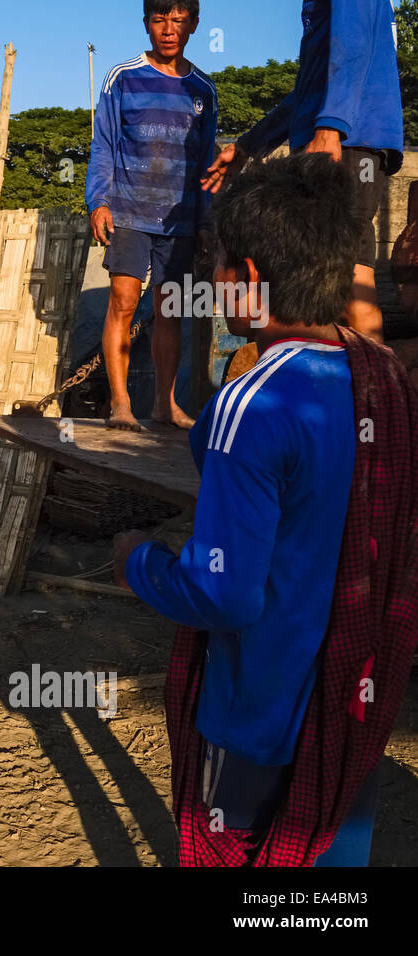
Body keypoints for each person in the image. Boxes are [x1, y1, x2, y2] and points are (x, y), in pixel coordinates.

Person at [113, 153, 418, 865]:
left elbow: (222, 590)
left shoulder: (250, 403)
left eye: (216, 265)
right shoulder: (383, 381)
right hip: (351, 694)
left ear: (247, 277)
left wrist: (139, 561)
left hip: (260, 708)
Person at [201, 0, 403, 344]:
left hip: (350, 139)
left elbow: (353, 45)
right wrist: (249, 145)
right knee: (325, 272)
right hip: (336, 136)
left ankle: (373, 389)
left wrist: (331, 128)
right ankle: (344, 384)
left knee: (348, 275)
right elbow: (307, 92)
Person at [86, 0, 218, 431]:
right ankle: (121, 405)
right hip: (128, 211)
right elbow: (103, 144)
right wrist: (98, 201)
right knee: (124, 301)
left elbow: (204, 164)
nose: (168, 29)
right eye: (160, 19)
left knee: (170, 310)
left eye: (178, 20)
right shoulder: (122, 78)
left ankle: (164, 404)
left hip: (178, 220)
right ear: (146, 24)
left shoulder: (203, 90)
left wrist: (203, 222)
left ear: (193, 25)